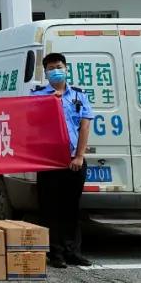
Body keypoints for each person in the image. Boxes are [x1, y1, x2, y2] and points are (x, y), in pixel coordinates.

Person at [31, 52, 94, 269]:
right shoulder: (38, 96)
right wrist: (51, 103)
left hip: (73, 160)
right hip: (48, 161)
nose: (55, 71)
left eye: (58, 67)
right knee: (50, 208)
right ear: (45, 72)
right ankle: (55, 252)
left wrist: (79, 156)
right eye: (50, 68)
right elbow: (32, 122)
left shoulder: (79, 95)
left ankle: (73, 251)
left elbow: (85, 126)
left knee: (71, 207)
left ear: (66, 69)